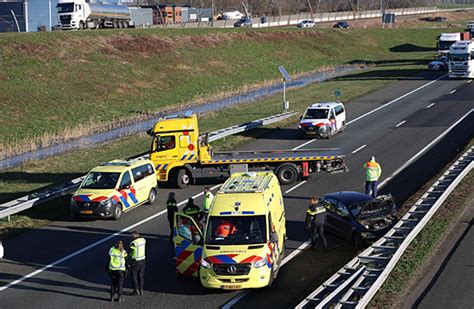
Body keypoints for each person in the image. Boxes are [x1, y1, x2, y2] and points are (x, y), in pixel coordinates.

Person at [129, 231, 146, 296]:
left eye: (131, 236)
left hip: (135, 261)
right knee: (141, 275)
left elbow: (130, 252)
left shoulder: (133, 243)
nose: (131, 238)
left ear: (134, 236)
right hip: (143, 260)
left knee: (134, 276)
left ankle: (136, 290)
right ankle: (141, 289)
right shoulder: (143, 240)